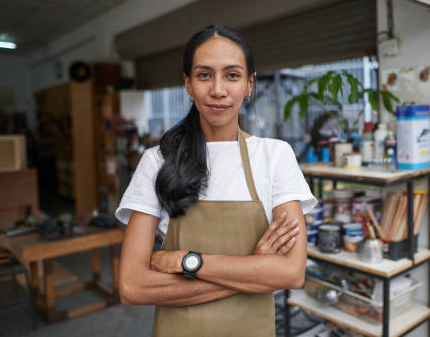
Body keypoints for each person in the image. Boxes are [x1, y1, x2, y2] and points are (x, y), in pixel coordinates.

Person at [115, 24, 318, 336]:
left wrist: (189, 262)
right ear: (188, 84)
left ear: (250, 84)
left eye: (232, 75)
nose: (218, 89)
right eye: (204, 74)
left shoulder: (275, 156)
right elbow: (132, 285)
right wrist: (254, 269)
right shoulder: (157, 161)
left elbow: (291, 273)